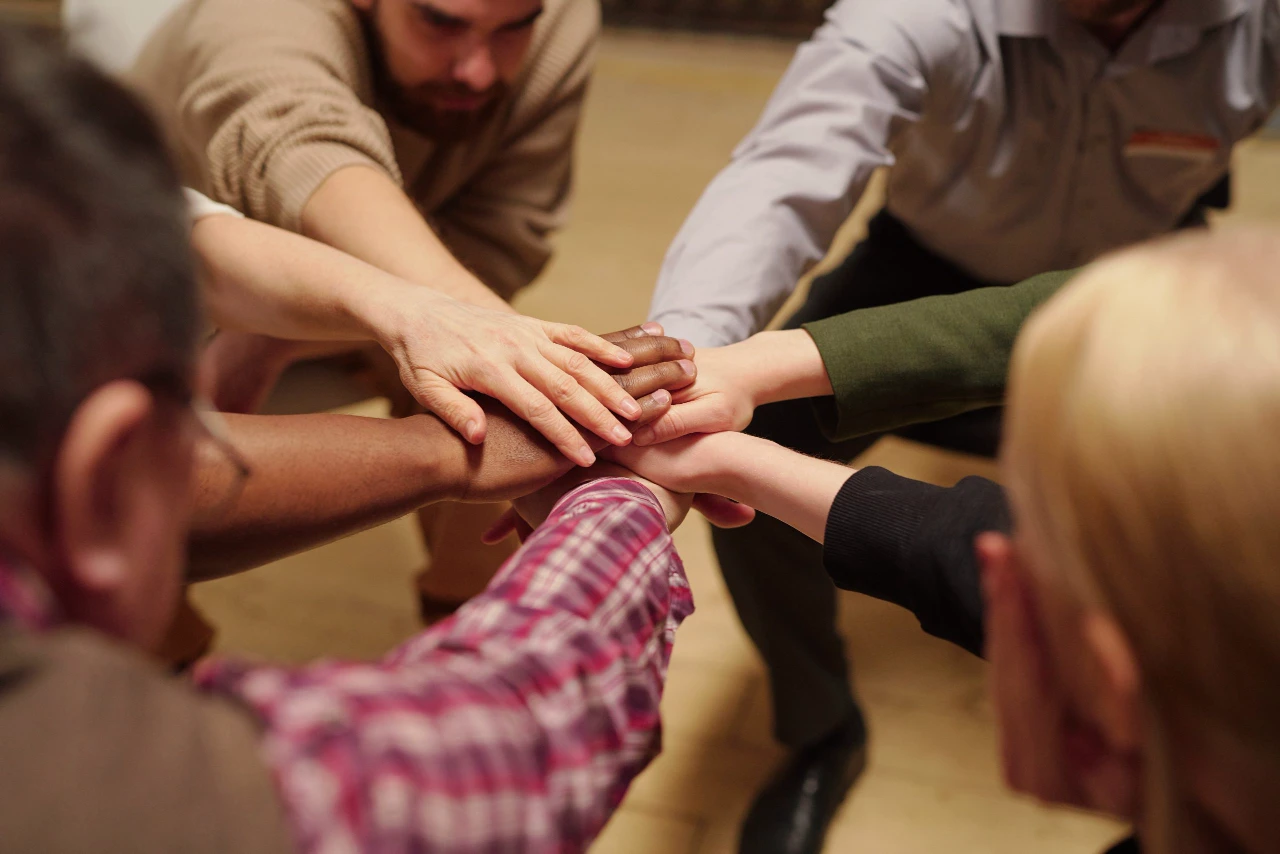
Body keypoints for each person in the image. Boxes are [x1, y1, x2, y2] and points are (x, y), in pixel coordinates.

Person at [0, 30, 749, 851]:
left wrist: (424, 345)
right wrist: (623, 490)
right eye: (195, 421)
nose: (477, 65)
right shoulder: (149, 793)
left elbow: (210, 244)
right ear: (106, 473)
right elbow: (517, 730)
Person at [645, 1, 1279, 846]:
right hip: (925, 273)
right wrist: (677, 360)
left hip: (1149, 275)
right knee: (758, 476)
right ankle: (819, 729)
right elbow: (783, 175)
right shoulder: (922, 11)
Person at [129, 0, 616, 613]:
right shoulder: (253, 18)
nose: (478, 72)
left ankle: (483, 628)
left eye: (514, 28)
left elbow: (500, 239)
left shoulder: (555, 16)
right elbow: (292, 146)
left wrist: (289, 334)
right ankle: (156, 652)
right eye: (440, 23)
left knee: (492, 402)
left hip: (346, 307)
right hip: (162, 317)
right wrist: (452, 324)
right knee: (121, 474)